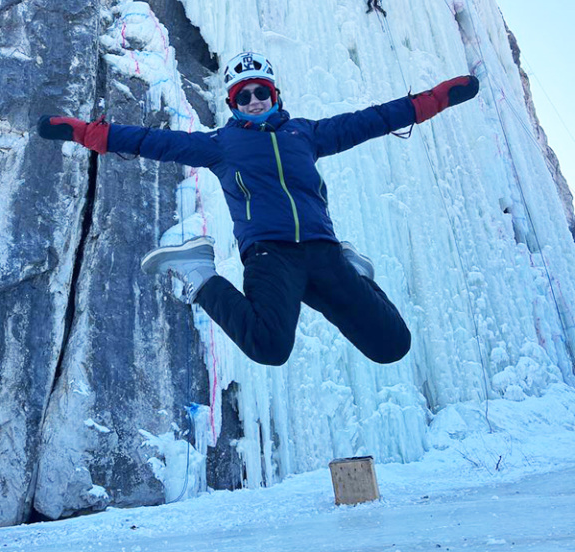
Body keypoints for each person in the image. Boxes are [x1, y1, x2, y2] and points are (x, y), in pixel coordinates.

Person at [38, 51, 479, 368]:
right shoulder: (219, 145)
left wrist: (436, 98)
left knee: (392, 345)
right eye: (242, 95)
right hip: (271, 256)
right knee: (269, 347)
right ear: (232, 103)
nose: (253, 100)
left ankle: (357, 275)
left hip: (324, 251)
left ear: (274, 95)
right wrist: (83, 133)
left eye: (260, 92)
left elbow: (375, 119)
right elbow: (147, 141)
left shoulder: (307, 134)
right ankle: (198, 273)